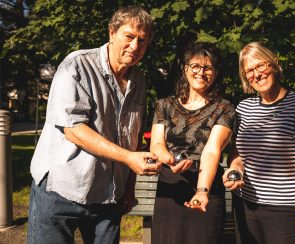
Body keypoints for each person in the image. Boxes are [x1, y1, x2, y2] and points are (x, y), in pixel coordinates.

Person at [27, 6, 161, 244]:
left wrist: (129, 188)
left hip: (109, 197)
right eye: (129, 36)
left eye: (142, 41)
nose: (135, 46)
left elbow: (134, 135)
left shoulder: (139, 79)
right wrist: (129, 158)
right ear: (112, 33)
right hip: (61, 189)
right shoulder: (76, 65)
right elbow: (74, 130)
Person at [223, 42, 295, 244]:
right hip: (245, 205)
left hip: (284, 210)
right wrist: (235, 169)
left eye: (261, 65)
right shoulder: (244, 108)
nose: (257, 74)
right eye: (249, 71)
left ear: (275, 64)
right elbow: (238, 153)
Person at [150, 42, 235, 244]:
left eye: (208, 68)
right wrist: (170, 161)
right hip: (170, 187)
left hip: (206, 184)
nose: (201, 72)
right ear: (185, 68)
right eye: (195, 66)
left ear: (215, 73)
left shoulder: (224, 108)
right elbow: (156, 145)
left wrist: (201, 190)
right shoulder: (165, 105)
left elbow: (212, 151)